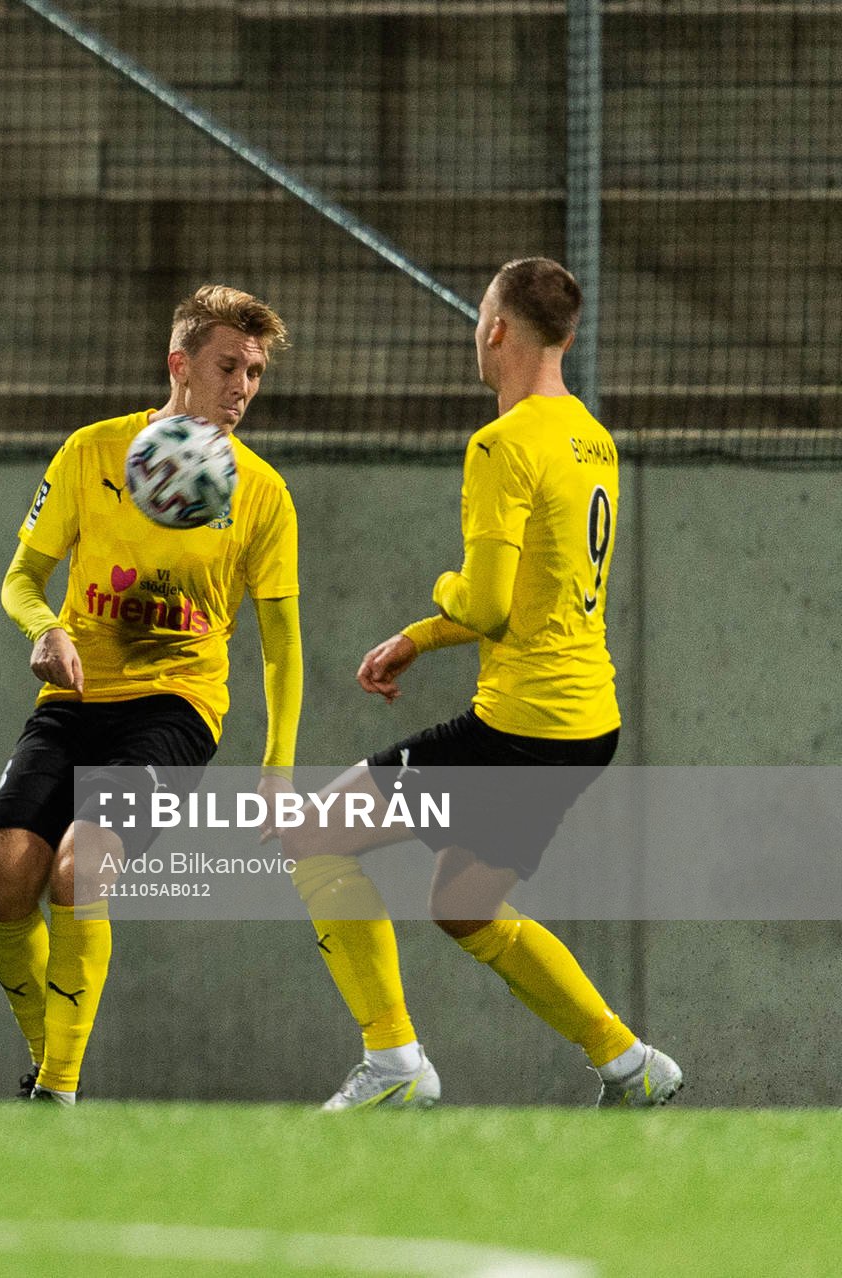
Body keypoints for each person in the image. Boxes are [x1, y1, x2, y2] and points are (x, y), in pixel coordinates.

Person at [280, 258, 682, 1110]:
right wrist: (422, 640)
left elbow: (493, 603)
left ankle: (393, 1063)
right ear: (567, 337)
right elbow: (542, 594)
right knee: (464, 904)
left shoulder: (501, 444)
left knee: (314, 835)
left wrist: (443, 594)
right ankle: (629, 1062)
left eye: (479, 318)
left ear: (496, 328)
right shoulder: (591, 437)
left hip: (521, 727)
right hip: (584, 725)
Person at [0, 285, 303, 1104]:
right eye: (229, 365)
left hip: (177, 708)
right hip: (77, 695)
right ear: (179, 364)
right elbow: (20, 578)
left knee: (81, 869)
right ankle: (47, 1048)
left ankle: (55, 1092)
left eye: (255, 372)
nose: (243, 387)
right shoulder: (93, 451)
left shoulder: (261, 492)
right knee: (4, 872)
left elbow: (283, 646)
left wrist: (277, 768)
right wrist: (44, 630)